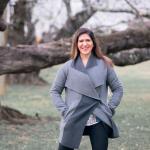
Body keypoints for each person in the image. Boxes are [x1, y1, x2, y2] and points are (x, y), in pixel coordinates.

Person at [50, 28, 123, 150]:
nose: (84, 44)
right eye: (81, 41)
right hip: (73, 116)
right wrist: (64, 111)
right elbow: (54, 91)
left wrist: (109, 109)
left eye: (88, 40)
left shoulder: (105, 64)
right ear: (76, 44)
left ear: (93, 43)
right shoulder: (67, 67)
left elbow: (118, 89)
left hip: (98, 117)